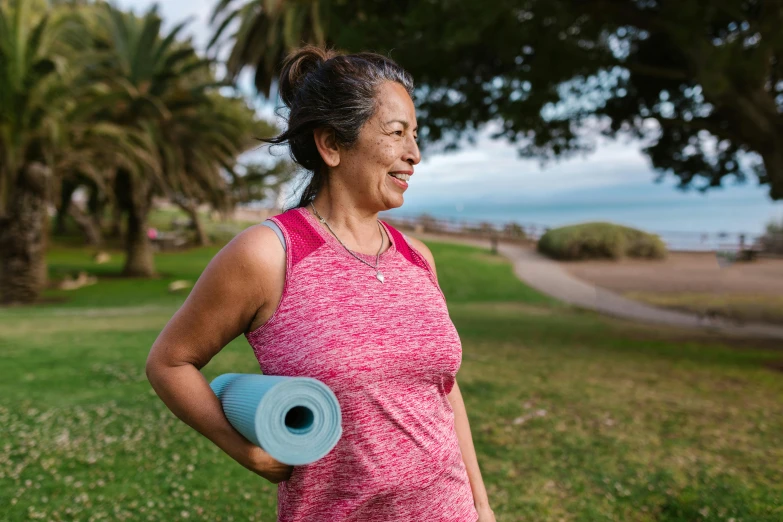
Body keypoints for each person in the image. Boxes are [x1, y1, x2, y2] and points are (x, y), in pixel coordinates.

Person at [145, 44, 495, 522]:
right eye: (397, 134)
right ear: (331, 144)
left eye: (416, 135)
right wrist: (246, 451)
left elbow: (444, 390)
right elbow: (169, 363)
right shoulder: (270, 254)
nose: (414, 154)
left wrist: (480, 504)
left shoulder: (418, 258)